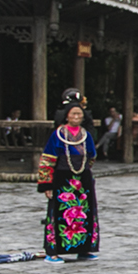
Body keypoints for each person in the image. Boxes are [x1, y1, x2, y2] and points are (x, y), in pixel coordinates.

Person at [38, 97, 100, 262]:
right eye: (73, 114)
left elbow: (92, 156)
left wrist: (84, 170)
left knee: (84, 213)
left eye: (79, 114)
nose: (76, 117)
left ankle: (84, 249)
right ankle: (53, 252)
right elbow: (47, 160)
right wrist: (47, 184)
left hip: (83, 179)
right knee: (59, 214)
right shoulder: (57, 135)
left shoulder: (86, 135)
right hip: (62, 178)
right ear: (66, 116)